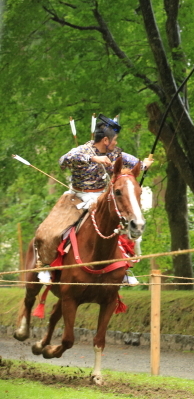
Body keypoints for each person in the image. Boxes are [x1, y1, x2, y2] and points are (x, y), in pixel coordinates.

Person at [35, 114, 152, 285]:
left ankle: (124, 267)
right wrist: (92, 158)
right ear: (106, 140)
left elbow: (135, 165)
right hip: (76, 196)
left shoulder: (116, 153)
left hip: (103, 196)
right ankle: (46, 266)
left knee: (126, 225)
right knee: (50, 231)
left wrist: (144, 164)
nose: (116, 143)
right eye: (115, 140)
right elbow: (63, 161)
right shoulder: (82, 150)